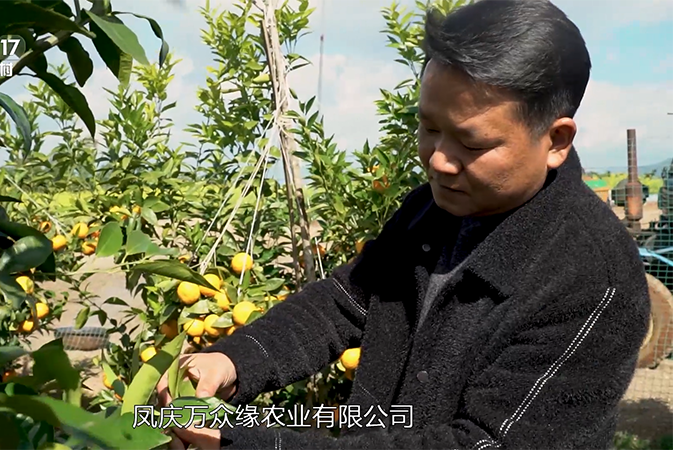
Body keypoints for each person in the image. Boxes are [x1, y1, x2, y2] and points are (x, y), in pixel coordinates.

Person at [157, 0, 651, 448]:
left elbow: (482, 443)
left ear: (556, 139)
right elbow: (346, 301)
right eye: (429, 127)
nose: (438, 160)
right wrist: (234, 360)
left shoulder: (590, 280)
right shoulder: (430, 212)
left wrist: (253, 442)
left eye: (471, 144)